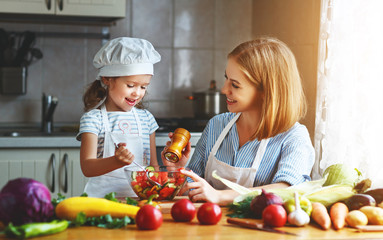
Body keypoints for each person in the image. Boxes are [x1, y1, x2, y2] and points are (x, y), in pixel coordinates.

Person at [163, 37, 315, 205]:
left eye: (235, 85)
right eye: (226, 78)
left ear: (266, 90)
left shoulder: (294, 137)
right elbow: (192, 189)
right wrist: (177, 170)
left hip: (258, 230)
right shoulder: (216, 125)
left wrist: (220, 196)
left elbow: (287, 191)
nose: (224, 89)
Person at [77, 37, 161, 198]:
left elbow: (153, 167)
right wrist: (116, 161)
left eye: (143, 87)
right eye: (130, 85)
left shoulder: (147, 119)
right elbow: (87, 167)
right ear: (107, 79)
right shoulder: (93, 119)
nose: (137, 93)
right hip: (101, 202)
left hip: (139, 202)